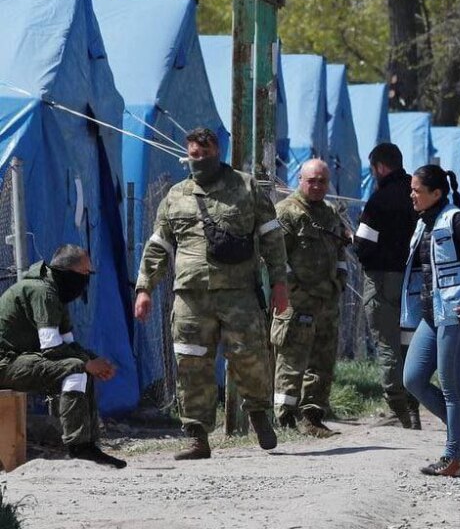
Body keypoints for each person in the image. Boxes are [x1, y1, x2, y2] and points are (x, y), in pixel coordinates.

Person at [134, 127, 287, 459]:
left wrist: (279, 284)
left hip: (239, 293)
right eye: (194, 154)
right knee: (191, 364)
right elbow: (159, 246)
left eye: (205, 153)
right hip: (191, 296)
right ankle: (197, 436)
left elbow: (272, 238)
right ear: (187, 155)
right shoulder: (176, 196)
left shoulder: (245, 188)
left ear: (219, 152)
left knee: (250, 357)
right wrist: (145, 287)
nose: (199, 160)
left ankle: (259, 414)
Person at [401, 165, 460, 477]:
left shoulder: (458, 221)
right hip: (433, 315)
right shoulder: (424, 222)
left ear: (436, 193)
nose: (412, 195)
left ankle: (452, 458)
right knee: (413, 379)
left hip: (458, 316)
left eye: (417, 190)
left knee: (451, 388)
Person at [0, 246, 125, 468]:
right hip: (5, 364)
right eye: (85, 273)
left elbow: (68, 344)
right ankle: (78, 447)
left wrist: (96, 362)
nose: (87, 280)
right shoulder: (43, 291)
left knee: (80, 364)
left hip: (20, 359)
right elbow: (51, 347)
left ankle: (88, 444)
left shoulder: (56, 293)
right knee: (77, 367)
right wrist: (87, 363)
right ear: (68, 272)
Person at [272, 159, 350, 437]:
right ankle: (284, 419)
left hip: (327, 303)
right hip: (297, 304)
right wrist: (295, 289)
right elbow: (277, 258)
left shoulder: (329, 213)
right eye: (311, 181)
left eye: (322, 181)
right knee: (291, 361)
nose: (317, 186)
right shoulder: (286, 213)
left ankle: (313, 417)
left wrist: (340, 281)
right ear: (300, 180)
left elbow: (340, 251)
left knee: (322, 361)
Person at [355, 142, 420, 429]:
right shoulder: (418, 195)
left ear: (380, 167)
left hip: (383, 280)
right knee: (410, 345)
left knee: (387, 344)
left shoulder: (378, 200)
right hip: (415, 282)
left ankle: (398, 408)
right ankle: (415, 407)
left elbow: (363, 245)